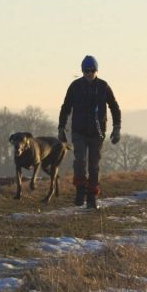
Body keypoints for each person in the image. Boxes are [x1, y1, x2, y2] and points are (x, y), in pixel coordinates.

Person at [57, 55, 122, 209]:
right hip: (79, 131)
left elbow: (114, 107)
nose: (89, 73)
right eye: (86, 70)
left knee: (94, 165)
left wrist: (117, 128)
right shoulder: (75, 86)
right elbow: (66, 107)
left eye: (92, 70)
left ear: (96, 70)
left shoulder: (103, 87)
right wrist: (61, 128)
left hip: (97, 133)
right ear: (82, 71)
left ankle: (92, 196)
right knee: (79, 161)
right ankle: (80, 190)